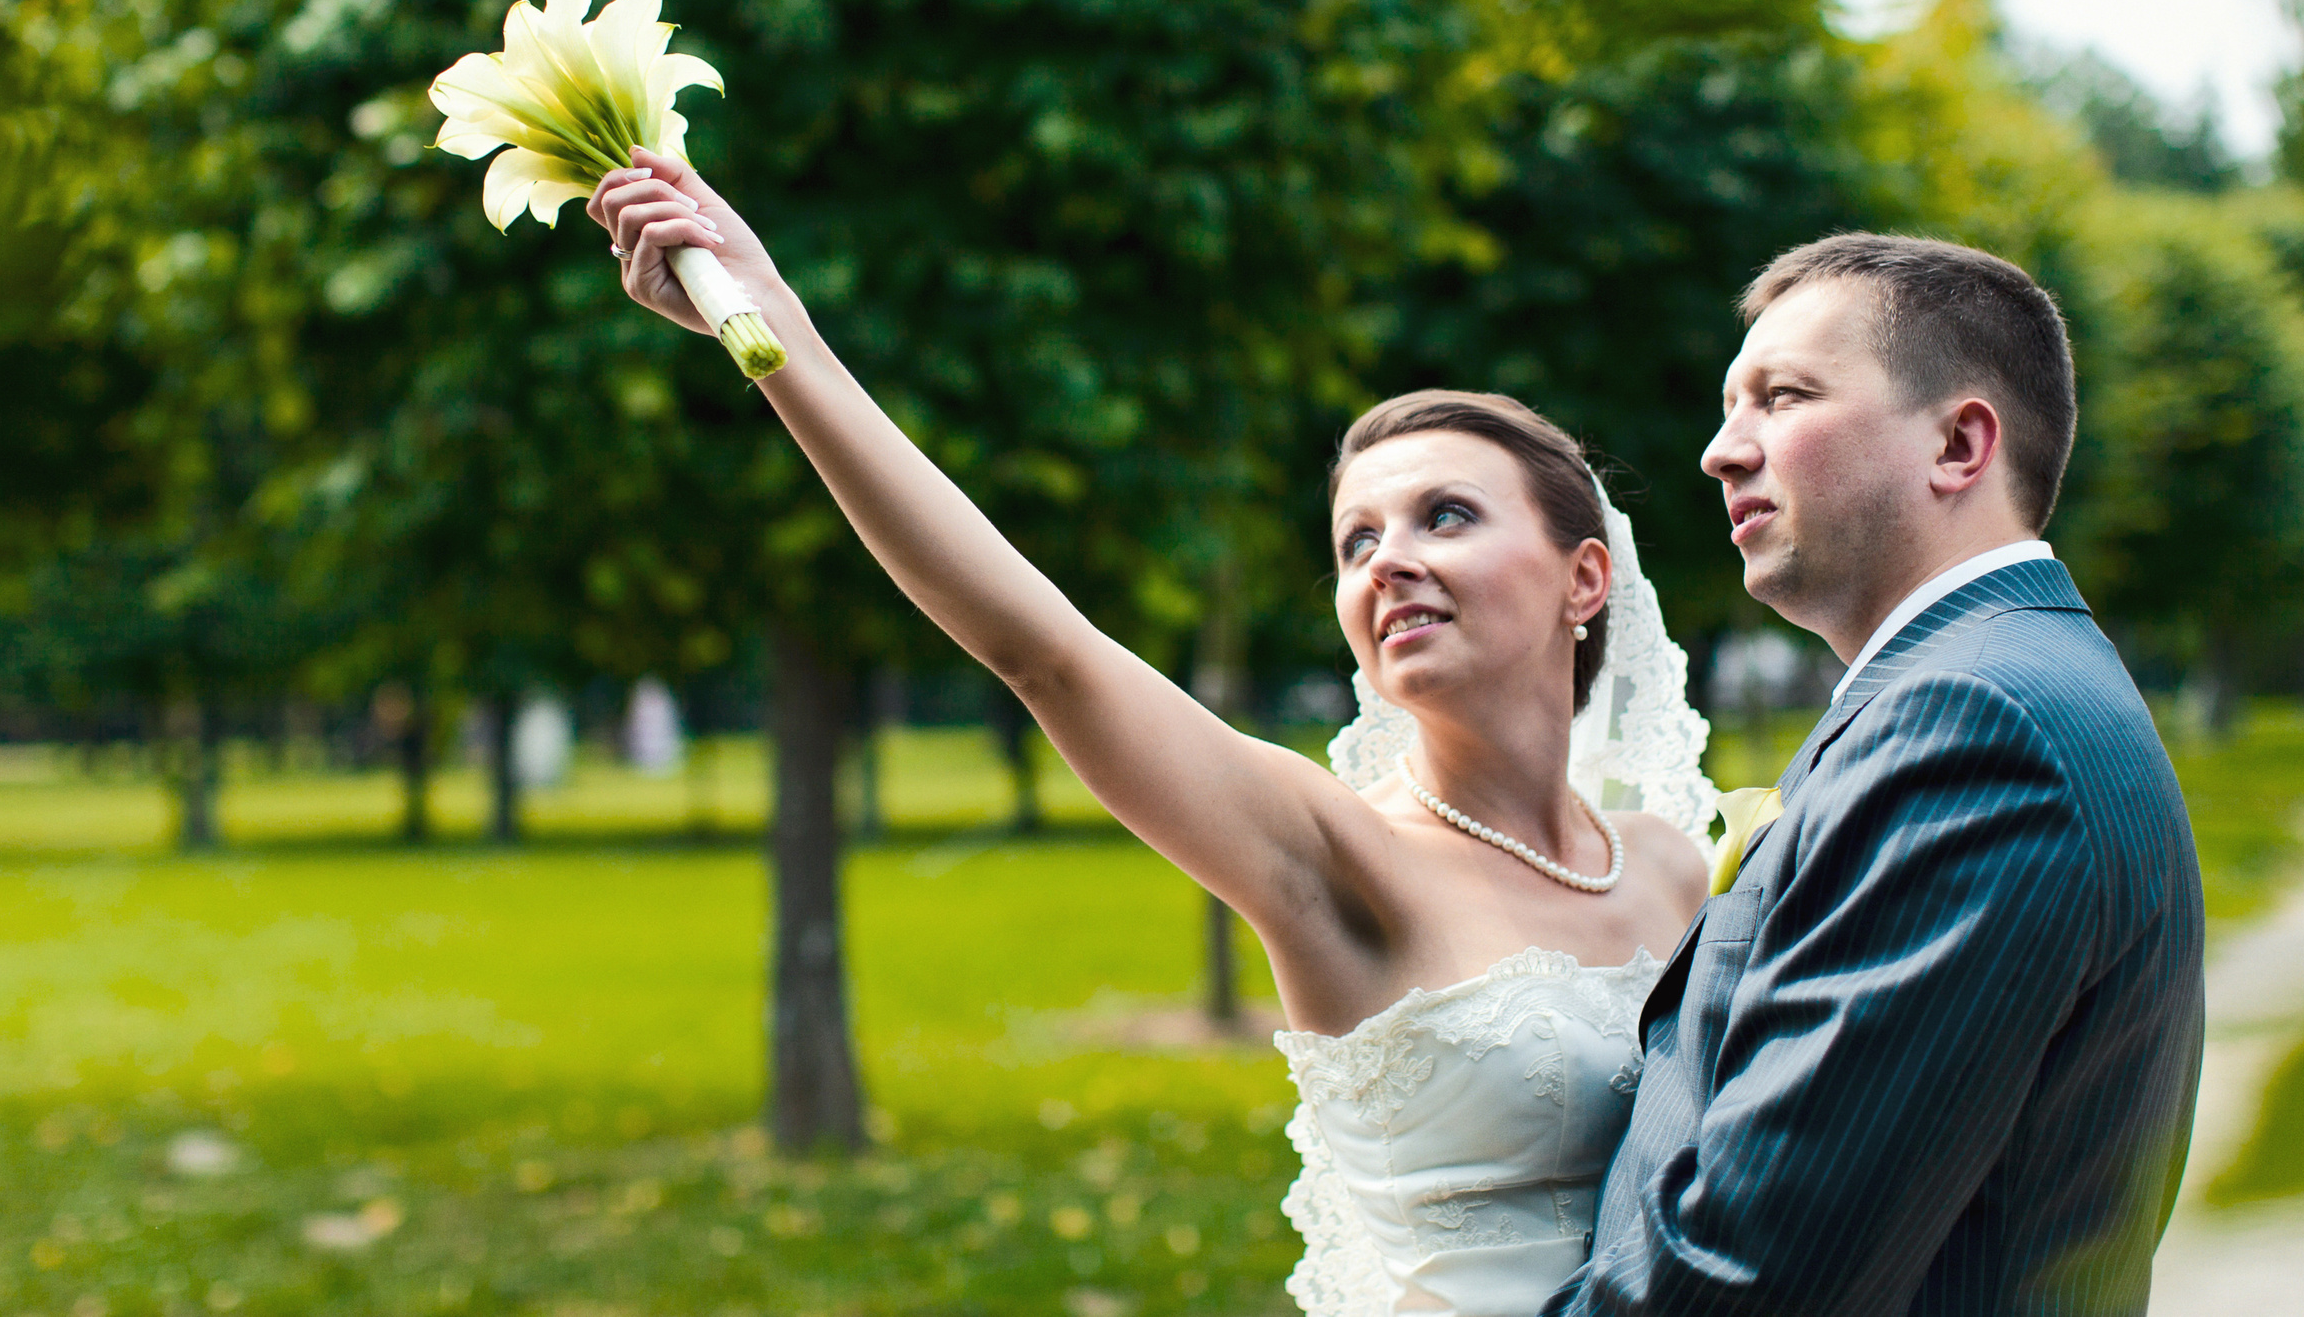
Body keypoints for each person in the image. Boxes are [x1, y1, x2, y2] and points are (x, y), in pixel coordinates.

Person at [588, 147, 1714, 1316]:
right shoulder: (1335, 853)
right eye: (1356, 542)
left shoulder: (1678, 866)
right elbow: (1047, 655)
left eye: (1445, 516)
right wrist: (778, 339)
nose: (1392, 562)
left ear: (1585, 581)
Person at [1542, 234, 2205, 1317]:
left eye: (1782, 397)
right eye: (1728, 404)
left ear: (1957, 443)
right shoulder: (1988, 685)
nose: (1719, 449)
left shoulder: (1976, 728)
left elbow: (1757, 1274)